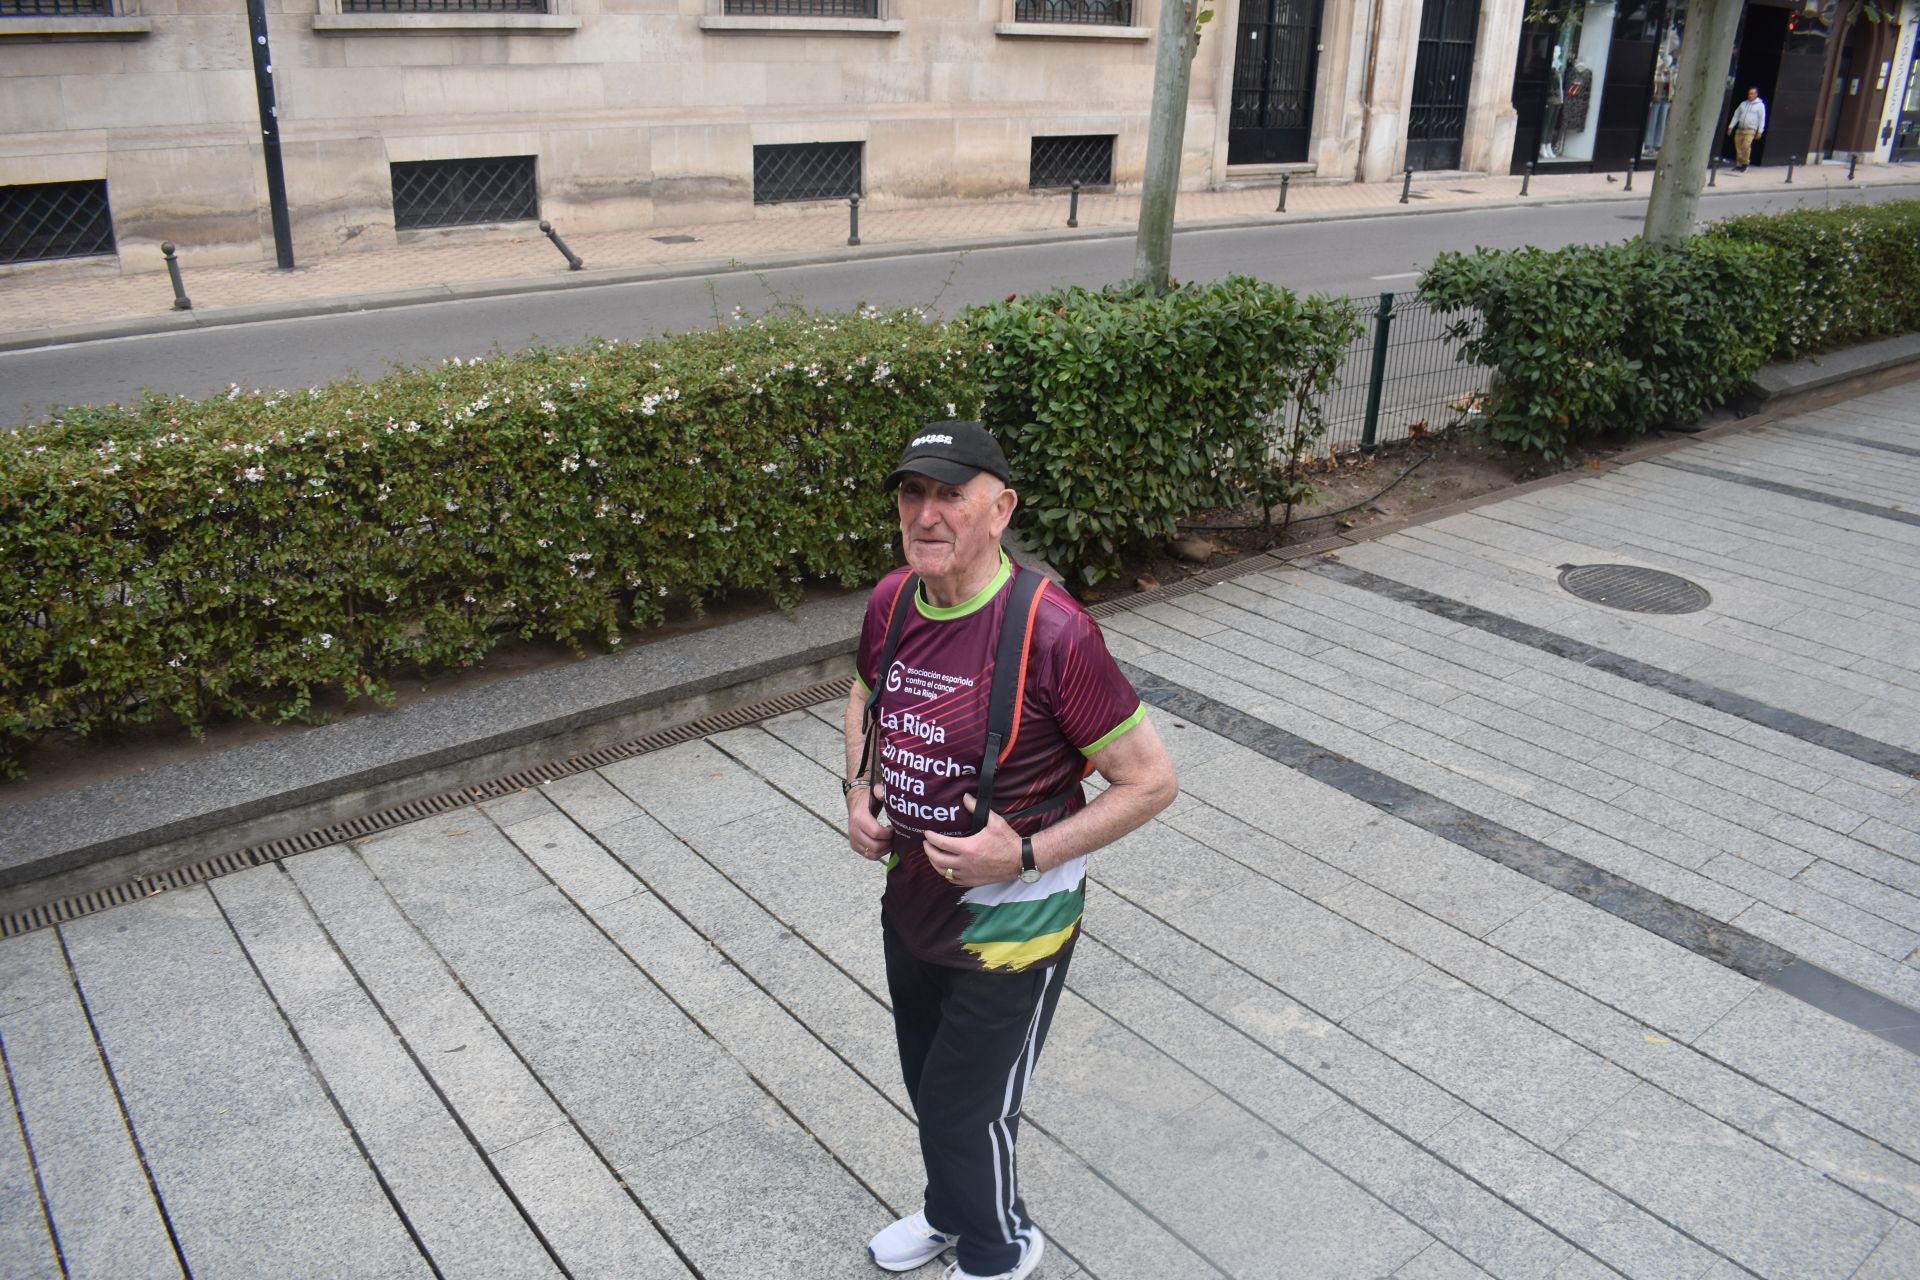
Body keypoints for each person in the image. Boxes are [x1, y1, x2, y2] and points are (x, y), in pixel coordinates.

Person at [843, 420, 1178, 1280]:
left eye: (950, 493)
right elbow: (864, 696)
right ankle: (953, 1211)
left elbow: (1150, 781)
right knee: (931, 1085)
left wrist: (1022, 857)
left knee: (969, 1105)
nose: (926, 514)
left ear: (1000, 509)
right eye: (912, 494)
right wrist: (858, 789)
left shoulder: (1053, 631)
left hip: (1017, 918)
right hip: (913, 896)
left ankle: (1000, 1250)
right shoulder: (894, 601)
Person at [1728, 86, 1767, 171]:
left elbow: (1762, 119)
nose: (1750, 95)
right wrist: (1731, 126)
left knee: (1746, 146)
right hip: (1740, 129)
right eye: (1749, 93)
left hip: (1750, 129)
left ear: (1756, 94)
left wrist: (1760, 131)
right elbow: (1736, 115)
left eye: (1752, 93)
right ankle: (1738, 164)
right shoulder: (1743, 103)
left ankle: (1745, 163)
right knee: (1738, 147)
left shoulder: (1760, 105)